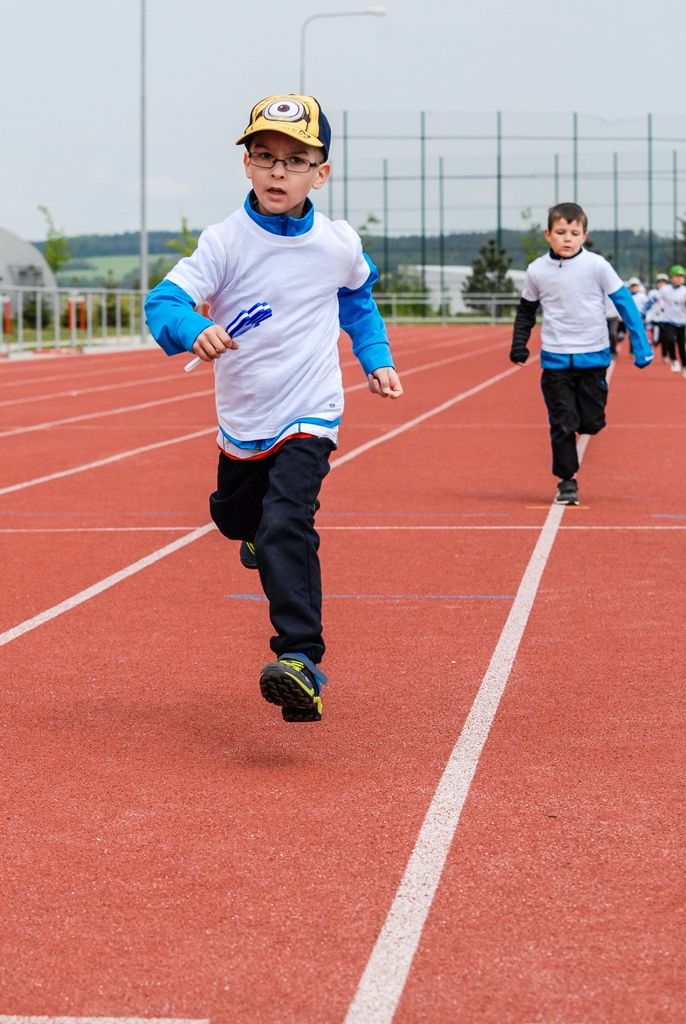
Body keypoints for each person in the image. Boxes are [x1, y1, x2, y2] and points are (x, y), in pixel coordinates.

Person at [144, 93, 403, 723]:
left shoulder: (338, 243)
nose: (278, 171)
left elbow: (358, 299)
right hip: (245, 416)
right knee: (237, 518)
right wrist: (192, 328)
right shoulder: (224, 241)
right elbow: (163, 302)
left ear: (322, 172)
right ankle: (254, 535)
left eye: (295, 160)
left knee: (287, 520)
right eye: (265, 157)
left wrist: (375, 357)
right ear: (247, 165)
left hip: (311, 408)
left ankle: (301, 660)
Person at [509, 201, 653, 505]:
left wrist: (641, 345)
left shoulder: (597, 266)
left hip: (593, 357)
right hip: (556, 359)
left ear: (584, 235)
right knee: (563, 422)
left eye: (574, 233)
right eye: (561, 232)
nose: (567, 239)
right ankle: (567, 481)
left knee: (591, 422)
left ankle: (587, 426)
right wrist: (519, 344)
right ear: (548, 234)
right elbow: (526, 311)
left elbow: (625, 303)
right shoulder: (536, 270)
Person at [643, 264, 686, 375]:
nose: (679, 279)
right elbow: (651, 300)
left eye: (682, 276)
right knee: (669, 339)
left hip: (681, 322)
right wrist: (643, 311)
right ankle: (674, 360)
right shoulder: (665, 290)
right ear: (672, 277)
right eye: (677, 276)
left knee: (682, 345)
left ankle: (684, 365)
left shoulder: (684, 291)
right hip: (668, 321)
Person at [645, 272, 669, 363]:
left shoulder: (670, 292)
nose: (661, 283)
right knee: (656, 339)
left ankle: (664, 355)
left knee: (665, 338)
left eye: (663, 281)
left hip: (666, 319)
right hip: (655, 319)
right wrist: (648, 317)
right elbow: (648, 305)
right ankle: (652, 347)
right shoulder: (653, 293)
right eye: (659, 281)